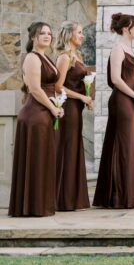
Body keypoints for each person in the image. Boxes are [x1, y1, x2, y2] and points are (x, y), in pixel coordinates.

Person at [94, 13, 134, 209]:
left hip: (131, 101)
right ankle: (119, 196)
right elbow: (116, 79)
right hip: (122, 101)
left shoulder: (130, 49)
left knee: (130, 145)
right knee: (123, 145)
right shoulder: (118, 49)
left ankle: (129, 195)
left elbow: (131, 79)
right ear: (126, 28)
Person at [8, 22, 61, 217]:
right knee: (37, 160)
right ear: (33, 37)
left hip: (45, 113)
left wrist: (56, 105)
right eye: (42, 33)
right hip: (34, 114)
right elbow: (35, 89)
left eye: (49, 33)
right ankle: (33, 207)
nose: (47, 36)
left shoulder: (45, 57)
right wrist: (53, 107)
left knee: (44, 159)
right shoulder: (31, 58)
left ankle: (40, 205)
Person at [54, 21, 92, 211]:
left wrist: (86, 97)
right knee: (68, 148)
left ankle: (73, 198)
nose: (82, 35)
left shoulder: (78, 56)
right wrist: (82, 96)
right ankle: (63, 199)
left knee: (74, 148)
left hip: (76, 108)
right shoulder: (64, 57)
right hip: (68, 108)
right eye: (79, 32)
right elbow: (58, 86)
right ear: (69, 34)